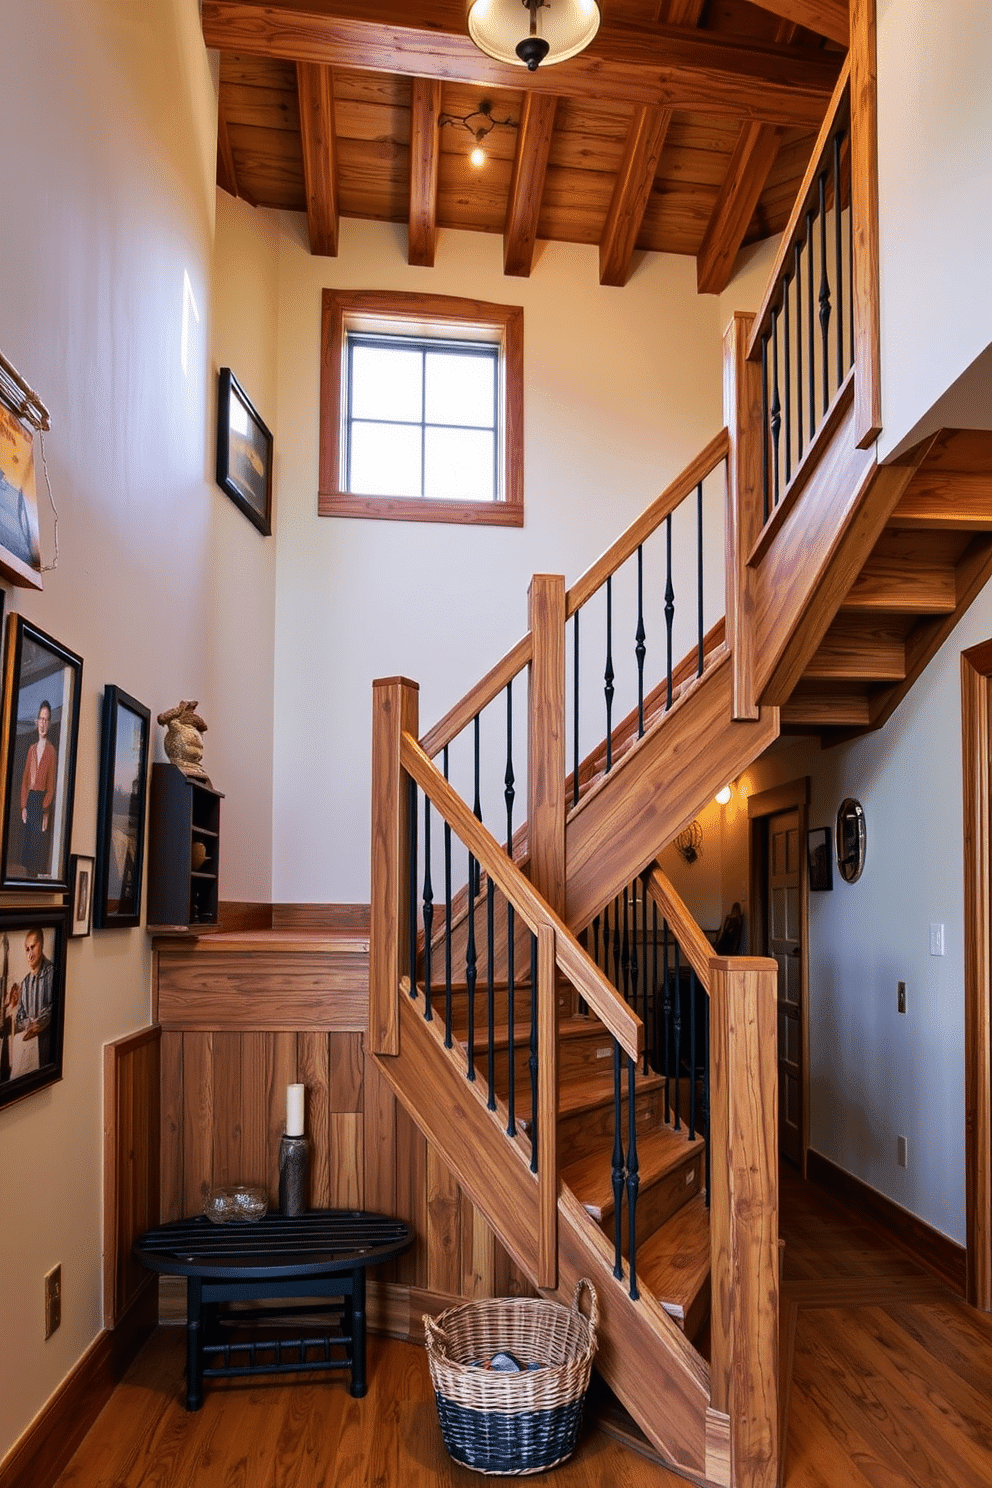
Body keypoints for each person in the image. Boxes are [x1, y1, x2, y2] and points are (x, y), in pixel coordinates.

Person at [20, 699, 57, 877]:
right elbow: (25, 780)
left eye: (46, 719)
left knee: (38, 852)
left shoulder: (51, 751)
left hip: (41, 803)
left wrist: (46, 812)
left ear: (49, 723)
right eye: (40, 719)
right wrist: (24, 806)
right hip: (30, 801)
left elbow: (51, 787)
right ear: (37, 721)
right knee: (27, 854)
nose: (43, 723)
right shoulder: (31, 749)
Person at [8, 928, 54, 1069]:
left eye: (32, 947)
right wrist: (27, 1024)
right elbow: (20, 1018)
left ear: (41, 945)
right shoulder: (26, 982)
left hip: (46, 1047)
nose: (29, 955)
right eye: (27, 949)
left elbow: (51, 1010)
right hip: (28, 1049)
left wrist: (36, 1025)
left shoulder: (51, 973)